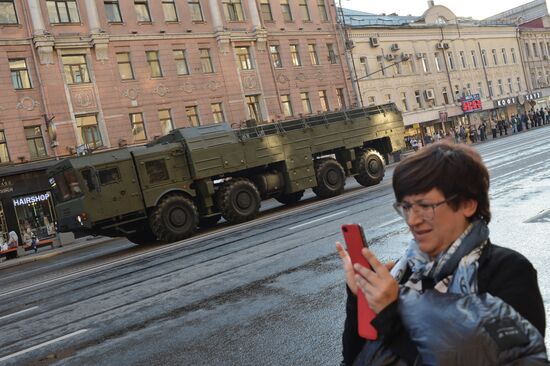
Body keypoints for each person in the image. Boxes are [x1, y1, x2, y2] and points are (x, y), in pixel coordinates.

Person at [337, 141, 547, 365]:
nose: (413, 220)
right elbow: (354, 359)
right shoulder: (403, 274)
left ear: (467, 204)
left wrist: (393, 313)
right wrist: (359, 297)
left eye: (425, 206)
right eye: (406, 207)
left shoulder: (507, 271)